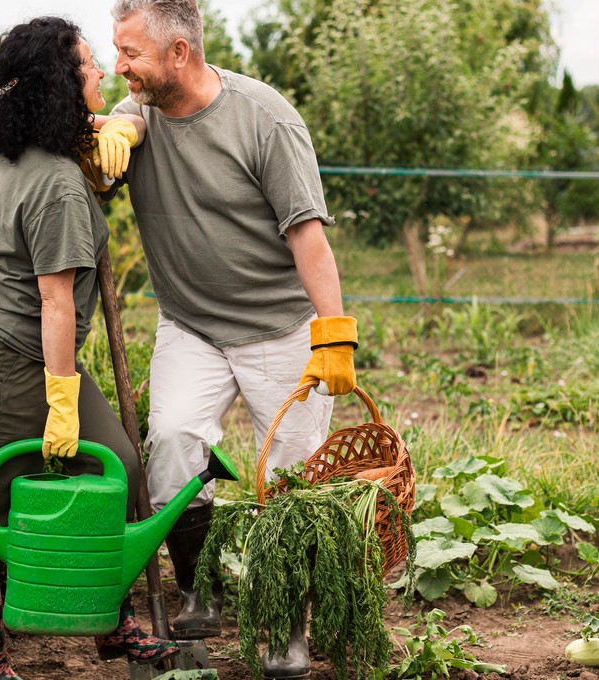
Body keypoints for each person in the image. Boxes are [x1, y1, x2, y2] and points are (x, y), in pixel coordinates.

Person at [105, 1, 359, 677]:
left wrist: (332, 334)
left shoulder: (263, 117)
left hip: (280, 328)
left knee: (290, 483)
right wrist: (114, 132)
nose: (118, 65)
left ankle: (286, 628)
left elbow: (308, 235)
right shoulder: (138, 118)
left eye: (131, 53)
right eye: (116, 50)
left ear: (179, 53)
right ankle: (199, 590)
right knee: (173, 446)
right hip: (191, 324)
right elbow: (113, 131)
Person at [0, 16, 177, 680]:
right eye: (88, 64)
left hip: (23, 349)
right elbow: (54, 303)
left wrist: (108, 131)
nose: (101, 71)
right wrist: (61, 401)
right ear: (60, 85)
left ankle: (108, 621)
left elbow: (82, 139)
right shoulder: (58, 187)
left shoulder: (25, 148)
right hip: (7, 357)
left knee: (122, 464)